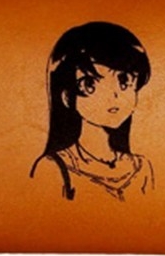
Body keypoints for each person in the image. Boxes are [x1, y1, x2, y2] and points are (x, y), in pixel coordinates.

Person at [30, 21, 154, 201]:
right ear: (67, 97)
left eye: (124, 81)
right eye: (90, 84)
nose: (113, 95)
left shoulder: (142, 168)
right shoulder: (54, 168)